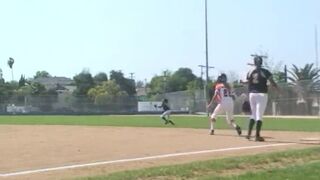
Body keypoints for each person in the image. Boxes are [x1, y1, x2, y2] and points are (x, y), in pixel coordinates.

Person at [245, 56, 280, 141]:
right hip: (261, 94)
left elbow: (248, 81)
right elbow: (272, 81)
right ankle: (257, 136)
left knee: (253, 114)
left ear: (254, 62)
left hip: (252, 94)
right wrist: (278, 89)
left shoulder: (250, 71)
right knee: (259, 115)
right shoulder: (265, 71)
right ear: (261, 62)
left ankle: (249, 134)